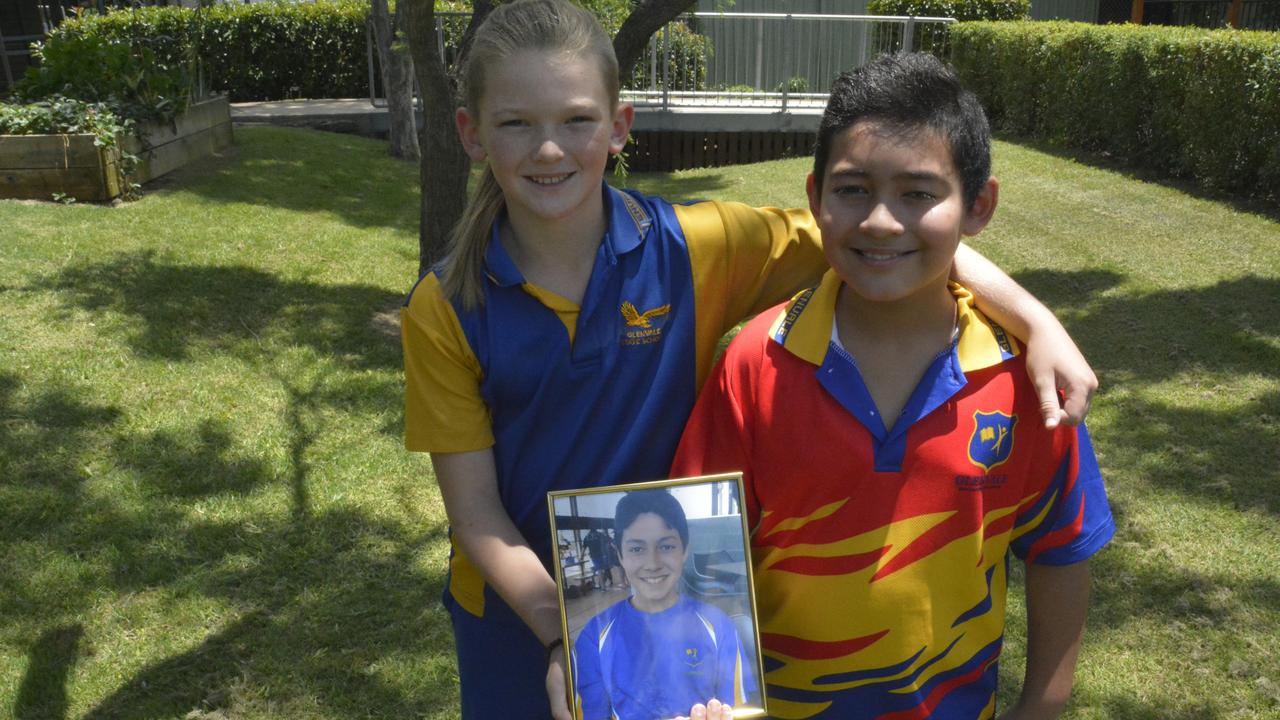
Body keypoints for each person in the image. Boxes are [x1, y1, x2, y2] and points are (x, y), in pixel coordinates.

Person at [400, 1, 1099, 717]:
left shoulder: (696, 248)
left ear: (618, 127)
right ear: (472, 133)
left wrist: (1035, 320)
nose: (549, 150)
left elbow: (881, 237)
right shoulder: (447, 309)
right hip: (521, 617)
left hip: (676, 596)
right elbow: (476, 514)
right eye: (516, 123)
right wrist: (563, 635)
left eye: (576, 119)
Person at [670, 53, 1116, 719]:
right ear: (816, 196)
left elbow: (1061, 549)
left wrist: (1042, 707)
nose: (881, 221)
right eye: (853, 190)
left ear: (979, 205)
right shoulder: (755, 364)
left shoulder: (1026, 380)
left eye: (919, 194)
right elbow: (697, 560)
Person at [573, 491, 754, 719]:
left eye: (666, 547)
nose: (653, 563)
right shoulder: (593, 637)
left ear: (685, 550)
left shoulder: (719, 626)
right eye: (637, 549)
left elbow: (737, 710)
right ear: (620, 556)